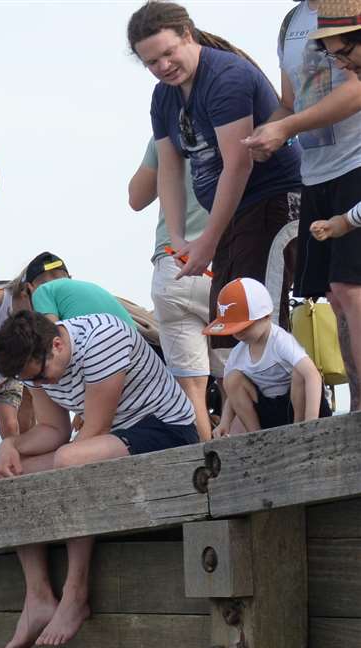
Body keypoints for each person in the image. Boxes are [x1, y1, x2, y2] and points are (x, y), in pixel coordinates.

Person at [0, 310, 200, 648]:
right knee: (10, 474)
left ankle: (76, 595)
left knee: (69, 460)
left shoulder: (102, 340)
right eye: (33, 381)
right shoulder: (36, 366)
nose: (42, 385)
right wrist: (10, 446)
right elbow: (54, 431)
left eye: (41, 376)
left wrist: (51, 459)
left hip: (165, 430)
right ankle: (38, 595)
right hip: (113, 438)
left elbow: (93, 431)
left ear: (57, 345)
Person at [130, 2, 303, 352]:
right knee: (226, 319)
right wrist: (177, 238)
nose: (162, 67)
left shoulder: (226, 77)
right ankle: (237, 403)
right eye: (151, 62)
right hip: (234, 216)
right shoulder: (164, 97)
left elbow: (238, 164)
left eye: (168, 53)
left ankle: (285, 403)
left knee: (255, 313)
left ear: (187, 36)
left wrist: (208, 241)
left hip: (272, 201)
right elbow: (170, 168)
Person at [245, 0, 361, 406]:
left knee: (352, 289)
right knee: (335, 295)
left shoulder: (347, 7)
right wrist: (268, 133)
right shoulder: (292, 21)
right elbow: (291, 103)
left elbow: (356, 91)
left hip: (356, 160)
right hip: (316, 173)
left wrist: (286, 128)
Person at [130, 139, 220, 440]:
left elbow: (136, 197)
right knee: (237, 376)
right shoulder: (234, 116)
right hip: (225, 258)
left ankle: (208, 464)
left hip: (175, 261)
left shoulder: (167, 132)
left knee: (192, 387)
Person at [208, 277, 329, 433]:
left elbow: (312, 375)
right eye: (234, 329)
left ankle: (300, 428)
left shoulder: (280, 340)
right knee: (232, 379)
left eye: (245, 327)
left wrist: (312, 420)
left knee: (301, 371)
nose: (239, 333)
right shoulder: (238, 353)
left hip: (299, 405)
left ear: (266, 317)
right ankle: (257, 435)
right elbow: (232, 395)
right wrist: (224, 423)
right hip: (268, 410)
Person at [11, 253, 139, 327]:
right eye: (44, 281)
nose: (51, 284)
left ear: (29, 288)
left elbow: (52, 340)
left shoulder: (43, 291)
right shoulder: (91, 287)